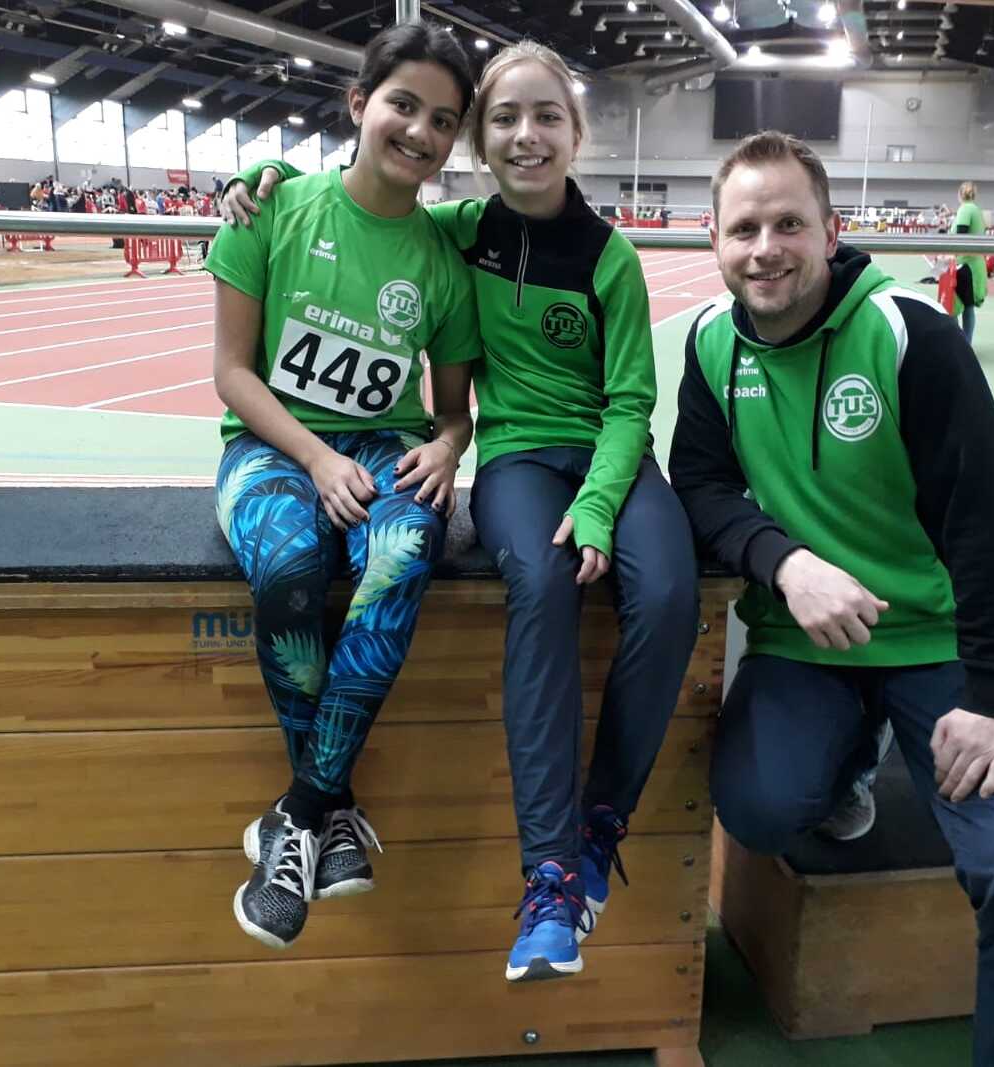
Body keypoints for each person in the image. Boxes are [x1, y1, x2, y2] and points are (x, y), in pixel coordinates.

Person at [221, 39, 702, 985]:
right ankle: (476, 850)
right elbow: (356, 202)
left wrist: (569, 492)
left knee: (667, 591)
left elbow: (616, 402)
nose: (525, 136)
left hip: (590, 457)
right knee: (512, 581)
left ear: (576, 133)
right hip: (475, 455)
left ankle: (599, 822)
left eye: (547, 117)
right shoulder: (451, 231)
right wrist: (265, 172)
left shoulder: (594, 257)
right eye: (500, 121)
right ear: (481, 142)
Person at [669, 130, 994, 1067]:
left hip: (937, 646)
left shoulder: (907, 335)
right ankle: (854, 754)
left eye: (786, 224)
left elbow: (987, 523)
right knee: (760, 810)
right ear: (716, 240)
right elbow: (698, 484)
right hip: (802, 640)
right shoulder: (710, 342)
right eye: (744, 228)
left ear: (830, 230)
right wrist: (785, 562)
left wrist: (992, 694)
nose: (764, 247)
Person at [205, 21, 483, 953]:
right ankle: (332, 811)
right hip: (271, 445)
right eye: (403, 105)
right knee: (288, 572)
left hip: (383, 446)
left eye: (444, 120)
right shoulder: (270, 211)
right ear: (359, 105)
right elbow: (233, 374)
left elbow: (452, 412)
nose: (420, 131)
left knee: (407, 553)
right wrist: (318, 460)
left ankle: (298, 812)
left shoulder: (443, 259)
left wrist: (449, 446)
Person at [950, 181, 987, 342]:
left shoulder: (965, 210)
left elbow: (961, 236)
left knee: (954, 305)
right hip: (974, 264)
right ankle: (966, 343)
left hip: (964, 265)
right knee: (968, 306)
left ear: (959, 194)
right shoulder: (977, 210)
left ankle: (960, 343)